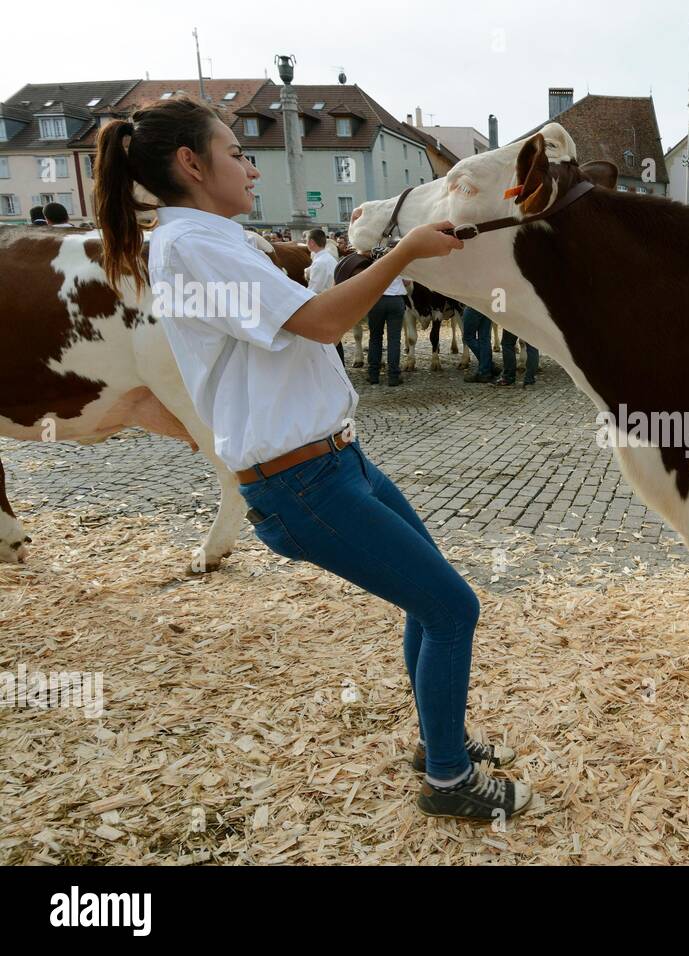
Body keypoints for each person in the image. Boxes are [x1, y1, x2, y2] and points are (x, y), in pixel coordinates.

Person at [92, 94, 529, 822]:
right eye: (237, 152)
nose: (251, 168)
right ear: (191, 164)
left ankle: (438, 741)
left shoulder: (212, 239)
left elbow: (300, 328)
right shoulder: (195, 246)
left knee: (431, 599)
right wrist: (408, 249)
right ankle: (449, 783)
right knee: (453, 608)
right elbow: (322, 323)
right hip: (300, 482)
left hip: (334, 460)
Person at [304, 228, 342, 365]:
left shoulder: (320, 262)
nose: (306, 243)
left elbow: (314, 289)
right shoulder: (329, 258)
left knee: (326, 340)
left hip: (323, 305)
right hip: (331, 302)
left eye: (306, 240)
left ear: (312, 242)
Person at [367, 273, 408, 386]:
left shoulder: (372, 257)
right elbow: (407, 281)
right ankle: (393, 376)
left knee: (375, 338)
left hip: (376, 300)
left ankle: (373, 375)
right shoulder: (400, 257)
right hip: (395, 301)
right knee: (394, 340)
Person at [460, 306, 499, 383]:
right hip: (487, 306)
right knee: (484, 339)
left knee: (468, 337)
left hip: (473, 304)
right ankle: (486, 371)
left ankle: (486, 368)